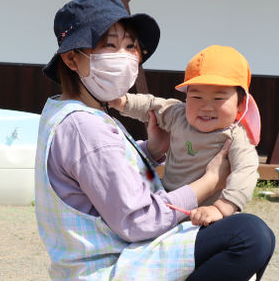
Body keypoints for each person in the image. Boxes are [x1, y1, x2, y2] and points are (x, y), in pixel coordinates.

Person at [35, 0, 275, 280]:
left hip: (119, 250)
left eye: (130, 46)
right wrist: (210, 181)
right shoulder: (85, 127)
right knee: (249, 236)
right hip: (109, 264)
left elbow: (97, 169)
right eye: (110, 46)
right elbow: (138, 221)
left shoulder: (67, 110)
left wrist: (150, 149)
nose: (124, 57)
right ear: (73, 58)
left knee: (249, 237)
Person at [110, 45, 261, 226]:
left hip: (206, 214)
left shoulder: (235, 137)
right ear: (186, 97)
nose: (206, 107)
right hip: (168, 202)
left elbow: (246, 172)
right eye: (197, 97)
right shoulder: (178, 115)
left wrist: (222, 208)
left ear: (240, 102)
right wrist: (122, 101)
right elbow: (151, 105)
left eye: (218, 98)